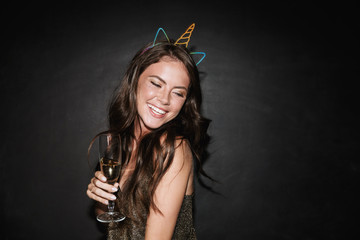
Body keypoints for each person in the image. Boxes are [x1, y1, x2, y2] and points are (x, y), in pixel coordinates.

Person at [86, 24, 210, 240]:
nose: (164, 99)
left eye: (178, 93)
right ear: (135, 81)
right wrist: (101, 199)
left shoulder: (173, 148)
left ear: (185, 101)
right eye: (156, 83)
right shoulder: (118, 142)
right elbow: (112, 222)